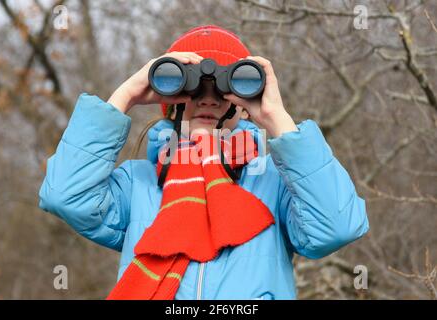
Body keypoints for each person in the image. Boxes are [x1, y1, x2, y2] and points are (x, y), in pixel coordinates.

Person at [38, 25, 369, 300]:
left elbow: (337, 226)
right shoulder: (138, 183)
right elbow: (65, 196)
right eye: (192, 86)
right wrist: (125, 96)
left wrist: (277, 118)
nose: (208, 98)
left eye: (225, 89)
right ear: (170, 99)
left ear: (243, 101)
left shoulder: (273, 182)